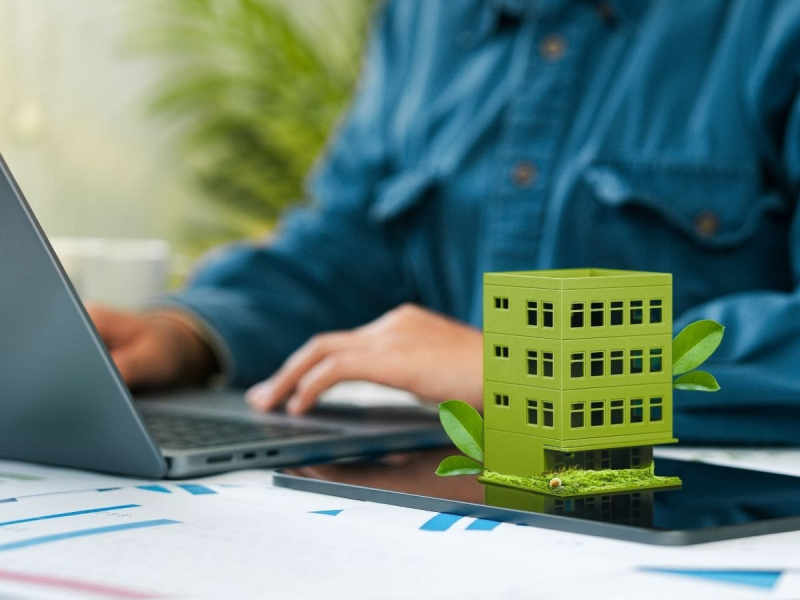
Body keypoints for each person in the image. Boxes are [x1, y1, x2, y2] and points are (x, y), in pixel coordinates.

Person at [90, 0, 800, 445]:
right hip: (457, 495)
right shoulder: (421, 16)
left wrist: (532, 365)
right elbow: (348, 242)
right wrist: (186, 336)